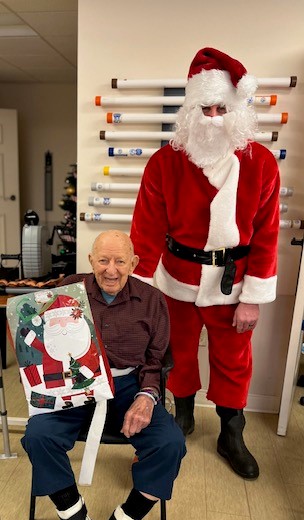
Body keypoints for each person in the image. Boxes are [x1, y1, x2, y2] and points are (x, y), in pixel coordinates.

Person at [130, 47, 280, 480]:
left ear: (235, 110)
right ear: (190, 110)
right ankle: (183, 415)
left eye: (221, 108)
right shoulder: (164, 162)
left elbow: (267, 235)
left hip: (233, 283)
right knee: (176, 352)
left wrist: (253, 297)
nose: (213, 117)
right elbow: (146, 227)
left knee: (234, 358)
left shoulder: (262, 164)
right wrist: (141, 288)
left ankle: (231, 432)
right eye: (205, 108)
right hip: (176, 277)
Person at [21, 230, 186, 520]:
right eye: (102, 261)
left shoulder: (151, 300)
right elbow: (35, 335)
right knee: (38, 435)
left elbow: (155, 360)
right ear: (91, 261)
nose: (111, 270)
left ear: (134, 263)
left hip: (129, 385)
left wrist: (146, 397)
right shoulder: (68, 290)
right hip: (78, 382)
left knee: (170, 444)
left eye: (119, 261)